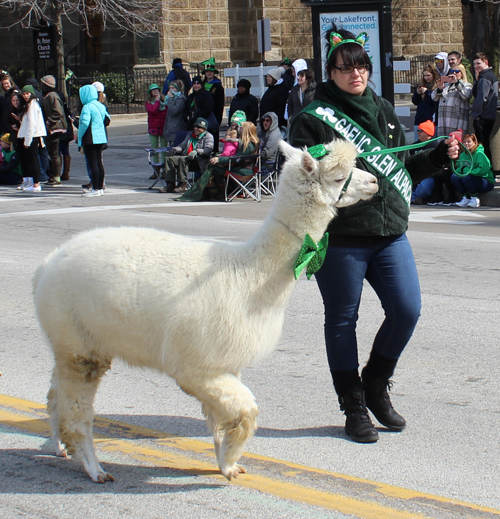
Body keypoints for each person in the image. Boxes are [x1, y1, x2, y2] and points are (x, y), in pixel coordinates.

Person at [289, 24, 459, 444]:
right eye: (346, 68)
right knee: (343, 320)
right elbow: (302, 184)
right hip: (342, 236)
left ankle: (376, 384)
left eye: (361, 65)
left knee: (407, 310)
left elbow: (398, 171)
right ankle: (353, 406)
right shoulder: (312, 120)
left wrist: (435, 157)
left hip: (388, 232)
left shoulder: (383, 110)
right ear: (330, 72)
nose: (356, 74)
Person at [160, 117, 214, 194]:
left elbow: (208, 150)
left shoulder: (208, 136)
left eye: (199, 127)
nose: (196, 128)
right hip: (187, 157)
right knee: (169, 159)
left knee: (183, 159)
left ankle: (183, 184)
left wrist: (197, 151)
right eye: (195, 126)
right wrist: (176, 149)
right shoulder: (190, 134)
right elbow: (182, 145)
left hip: (199, 160)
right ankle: (170, 184)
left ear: (204, 129)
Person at [78, 84, 110, 197]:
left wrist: (79, 136)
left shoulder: (87, 107)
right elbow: (107, 118)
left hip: (90, 138)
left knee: (92, 164)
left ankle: (95, 188)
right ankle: (100, 187)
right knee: (99, 163)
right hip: (101, 137)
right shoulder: (100, 105)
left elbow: (85, 123)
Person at [17, 85, 47, 192]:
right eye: (24, 94)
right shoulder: (28, 105)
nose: (25, 96)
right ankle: (30, 182)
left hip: (32, 136)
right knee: (28, 160)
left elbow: (32, 125)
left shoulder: (33, 106)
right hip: (27, 135)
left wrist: (28, 141)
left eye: (27, 93)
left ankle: (36, 184)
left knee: (33, 160)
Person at [453, 133, 495, 208]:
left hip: (485, 181)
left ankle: (474, 199)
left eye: (469, 141)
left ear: (474, 142)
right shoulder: (462, 155)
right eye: (464, 142)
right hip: (470, 178)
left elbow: (483, 170)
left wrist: (468, 172)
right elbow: (459, 168)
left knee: (466, 177)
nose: (466, 144)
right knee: (454, 177)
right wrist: (463, 171)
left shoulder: (479, 154)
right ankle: (465, 197)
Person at [471, 53, 498, 163]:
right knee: (485, 143)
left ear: (485, 62)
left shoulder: (485, 77)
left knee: (482, 145)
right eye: (474, 64)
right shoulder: (491, 75)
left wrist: (476, 116)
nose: (476, 66)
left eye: (478, 63)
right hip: (489, 116)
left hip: (483, 116)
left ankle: (486, 170)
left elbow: (481, 98)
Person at [40, 75, 67, 187]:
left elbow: (58, 112)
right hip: (52, 128)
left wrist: (49, 122)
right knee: (52, 153)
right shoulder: (49, 96)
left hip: (55, 128)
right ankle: (53, 176)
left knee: (54, 153)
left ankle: (56, 176)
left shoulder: (52, 96)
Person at [431, 67, 472, 137]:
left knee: (455, 143)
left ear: (462, 73)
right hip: (443, 121)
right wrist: (440, 89)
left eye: (457, 71)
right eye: (452, 71)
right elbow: (433, 97)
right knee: (443, 143)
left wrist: (456, 83)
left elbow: (466, 95)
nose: (454, 73)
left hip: (456, 121)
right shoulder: (445, 85)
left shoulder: (466, 85)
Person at [411, 120, 439, 205]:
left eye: (421, 131)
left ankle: (412, 199)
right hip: (415, 175)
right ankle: (414, 199)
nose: (418, 132)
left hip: (428, 176)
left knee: (424, 188)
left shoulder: (434, 146)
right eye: (418, 130)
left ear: (428, 133)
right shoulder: (414, 146)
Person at [411, 65, 439, 140]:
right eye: (424, 76)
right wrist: (417, 93)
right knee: (418, 141)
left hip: (430, 120)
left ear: (433, 75)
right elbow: (415, 101)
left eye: (428, 75)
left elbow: (435, 100)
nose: (426, 78)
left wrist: (427, 92)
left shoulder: (436, 86)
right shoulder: (423, 85)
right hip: (420, 119)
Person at [145, 83, 168, 166]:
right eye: (153, 90)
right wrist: (157, 101)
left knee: (164, 149)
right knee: (154, 150)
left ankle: (165, 169)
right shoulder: (149, 103)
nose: (155, 92)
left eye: (156, 90)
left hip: (163, 127)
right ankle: (156, 169)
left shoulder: (165, 101)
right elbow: (153, 111)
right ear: (150, 92)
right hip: (153, 127)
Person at [163, 80, 188, 145]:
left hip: (176, 128)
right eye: (170, 88)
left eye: (173, 88)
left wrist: (170, 99)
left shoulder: (180, 99)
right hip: (170, 129)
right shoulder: (169, 98)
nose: (171, 90)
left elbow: (174, 111)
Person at [201, 58, 225, 126]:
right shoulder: (202, 85)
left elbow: (220, 104)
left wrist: (218, 118)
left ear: (214, 73)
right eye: (207, 71)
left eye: (211, 71)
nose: (209, 73)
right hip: (202, 115)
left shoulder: (218, 86)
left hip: (213, 115)